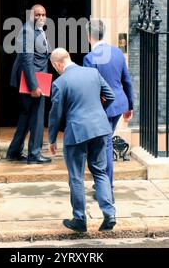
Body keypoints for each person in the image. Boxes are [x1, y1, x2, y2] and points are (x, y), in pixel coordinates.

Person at [48, 48, 116, 232]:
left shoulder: (60, 83)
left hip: (77, 132)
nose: (56, 70)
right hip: (101, 128)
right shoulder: (93, 72)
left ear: (58, 64)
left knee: (76, 177)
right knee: (100, 172)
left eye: (55, 67)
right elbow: (110, 96)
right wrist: (97, 110)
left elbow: (55, 114)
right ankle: (109, 214)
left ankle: (79, 219)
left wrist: (52, 139)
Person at [83, 20, 134, 199]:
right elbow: (126, 81)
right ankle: (102, 184)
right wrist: (130, 105)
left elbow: (90, 87)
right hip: (119, 105)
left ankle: (107, 189)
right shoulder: (118, 52)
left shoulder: (90, 58)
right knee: (104, 143)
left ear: (89, 36)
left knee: (104, 145)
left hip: (103, 108)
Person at [6, 4, 52, 164]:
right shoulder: (28, 30)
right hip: (32, 82)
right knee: (37, 117)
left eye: (43, 14)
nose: (41, 17)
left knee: (26, 116)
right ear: (30, 16)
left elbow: (43, 55)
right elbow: (27, 59)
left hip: (38, 79)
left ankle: (13, 151)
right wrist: (33, 86)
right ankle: (34, 154)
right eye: (37, 14)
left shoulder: (39, 31)